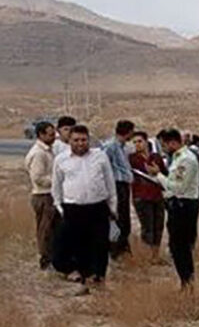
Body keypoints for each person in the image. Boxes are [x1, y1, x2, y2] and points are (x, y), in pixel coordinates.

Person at [52, 125, 116, 290]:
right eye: (76, 140)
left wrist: (112, 207)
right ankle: (82, 275)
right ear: (69, 141)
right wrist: (60, 207)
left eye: (83, 140)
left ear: (88, 140)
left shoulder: (100, 157)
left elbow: (110, 183)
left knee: (100, 243)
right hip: (74, 208)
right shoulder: (61, 159)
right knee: (77, 243)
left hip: (98, 207)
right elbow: (57, 186)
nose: (80, 143)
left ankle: (98, 276)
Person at [146, 129, 199, 288]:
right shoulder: (177, 158)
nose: (162, 149)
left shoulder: (186, 160)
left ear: (173, 143)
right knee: (176, 247)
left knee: (181, 247)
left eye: (163, 145)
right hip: (177, 205)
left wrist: (159, 175)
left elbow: (179, 187)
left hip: (184, 206)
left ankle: (187, 281)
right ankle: (185, 281)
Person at [24, 121, 58, 270]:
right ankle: (45, 260)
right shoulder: (39, 153)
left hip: (48, 194)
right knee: (45, 230)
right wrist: (57, 181)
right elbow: (37, 177)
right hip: (43, 195)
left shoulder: (47, 151)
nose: (54, 137)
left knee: (51, 229)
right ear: (41, 135)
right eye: (50, 134)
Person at [102, 119, 135, 258]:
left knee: (125, 218)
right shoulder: (110, 146)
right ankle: (115, 250)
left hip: (123, 185)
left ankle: (123, 248)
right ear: (127, 132)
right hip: (116, 185)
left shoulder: (121, 147)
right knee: (118, 217)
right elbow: (104, 166)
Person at [129, 131, 166, 250]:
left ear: (146, 142)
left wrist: (157, 171)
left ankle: (156, 253)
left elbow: (165, 174)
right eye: (134, 142)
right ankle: (146, 255)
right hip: (141, 197)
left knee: (158, 226)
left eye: (139, 141)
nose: (137, 144)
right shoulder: (132, 159)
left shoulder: (156, 157)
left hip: (157, 196)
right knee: (147, 227)